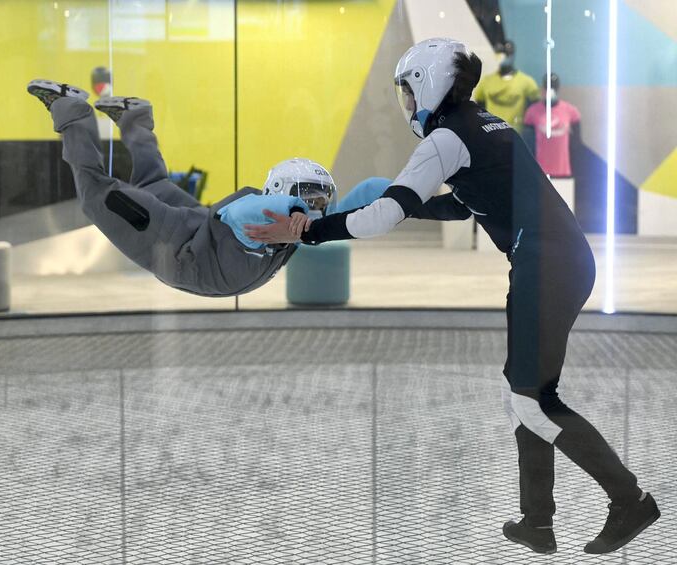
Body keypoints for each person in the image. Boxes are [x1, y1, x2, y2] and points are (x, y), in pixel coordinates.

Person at [245, 38, 659, 555]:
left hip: (546, 265)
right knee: (523, 397)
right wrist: (407, 201)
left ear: (425, 85)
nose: (407, 106)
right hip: (559, 261)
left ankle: (630, 501)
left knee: (532, 400)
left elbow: (380, 219)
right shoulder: (487, 125)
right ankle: (538, 522)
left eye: (406, 93)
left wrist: (307, 230)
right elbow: (466, 207)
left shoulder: (444, 139)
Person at [25, 79, 380, 297]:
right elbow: (239, 212)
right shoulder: (260, 218)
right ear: (279, 193)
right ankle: (70, 106)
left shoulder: (301, 228)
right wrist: (293, 213)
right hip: (177, 244)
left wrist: (399, 195)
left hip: (185, 242)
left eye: (321, 200)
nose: (316, 208)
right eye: (307, 198)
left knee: (153, 184)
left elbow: (351, 207)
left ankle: (135, 115)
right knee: (95, 194)